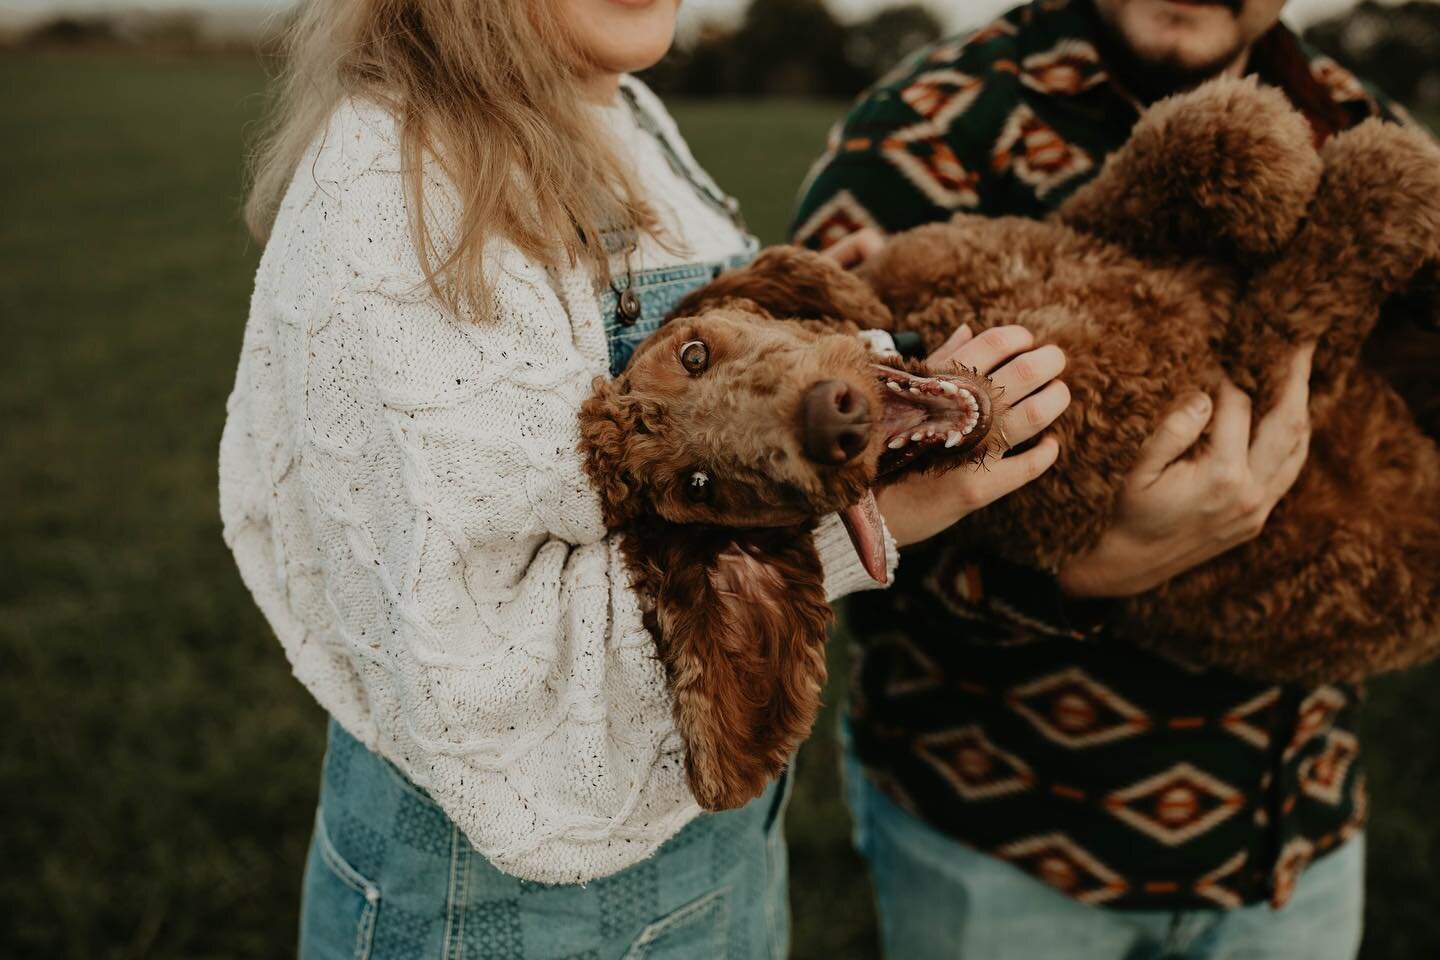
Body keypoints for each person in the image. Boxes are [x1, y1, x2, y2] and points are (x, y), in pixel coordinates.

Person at [220, 1, 1069, 957]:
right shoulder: (406, 172)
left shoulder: (623, 111)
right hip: (501, 919)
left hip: (714, 874)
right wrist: (850, 533)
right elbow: (480, 677)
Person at [792, 1, 1418, 958]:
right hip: (1002, 849)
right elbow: (804, 504)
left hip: (1295, 832)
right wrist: (1077, 577)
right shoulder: (920, 128)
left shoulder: (1365, 125)